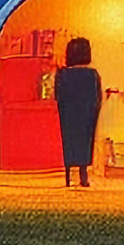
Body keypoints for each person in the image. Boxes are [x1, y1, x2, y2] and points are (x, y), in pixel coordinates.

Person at [53, 36, 101, 187]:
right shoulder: (92, 74)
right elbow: (97, 96)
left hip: (68, 112)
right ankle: (83, 174)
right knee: (86, 142)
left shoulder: (62, 75)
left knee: (69, 140)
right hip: (87, 113)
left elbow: (58, 95)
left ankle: (67, 174)